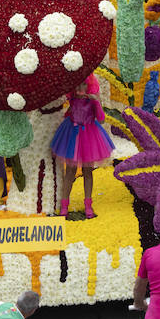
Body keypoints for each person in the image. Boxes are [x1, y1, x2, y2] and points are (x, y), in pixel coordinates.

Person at [51, 74, 113, 218]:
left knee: (87, 172)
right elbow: (69, 113)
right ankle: (64, 204)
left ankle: (88, 205)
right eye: (77, 84)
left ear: (89, 86)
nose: (80, 88)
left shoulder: (91, 101)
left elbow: (102, 119)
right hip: (72, 135)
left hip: (89, 137)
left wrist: (96, 102)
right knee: (70, 171)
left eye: (84, 84)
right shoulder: (71, 99)